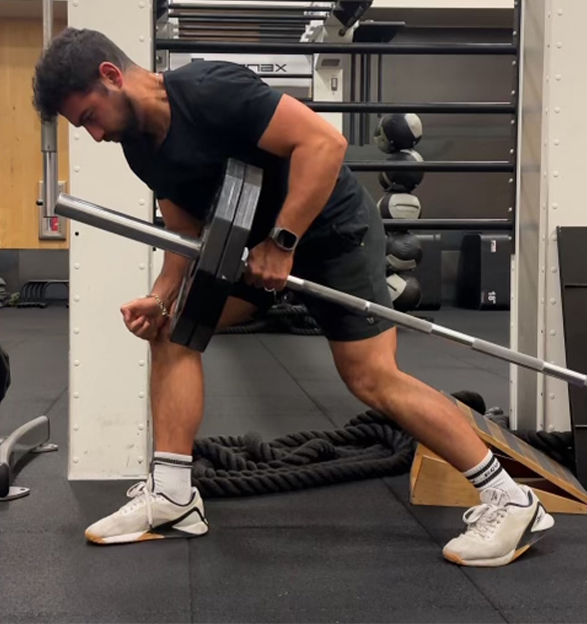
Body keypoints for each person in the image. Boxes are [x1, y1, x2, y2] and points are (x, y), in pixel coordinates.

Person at [31, 28, 552, 568]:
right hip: (250, 249)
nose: (92, 135)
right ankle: (173, 498)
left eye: (89, 116)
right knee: (174, 329)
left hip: (330, 233)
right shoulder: (139, 147)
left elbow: (325, 144)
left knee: (371, 378)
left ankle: (512, 500)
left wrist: (282, 242)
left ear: (112, 77)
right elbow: (183, 237)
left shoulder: (210, 89)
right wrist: (161, 298)